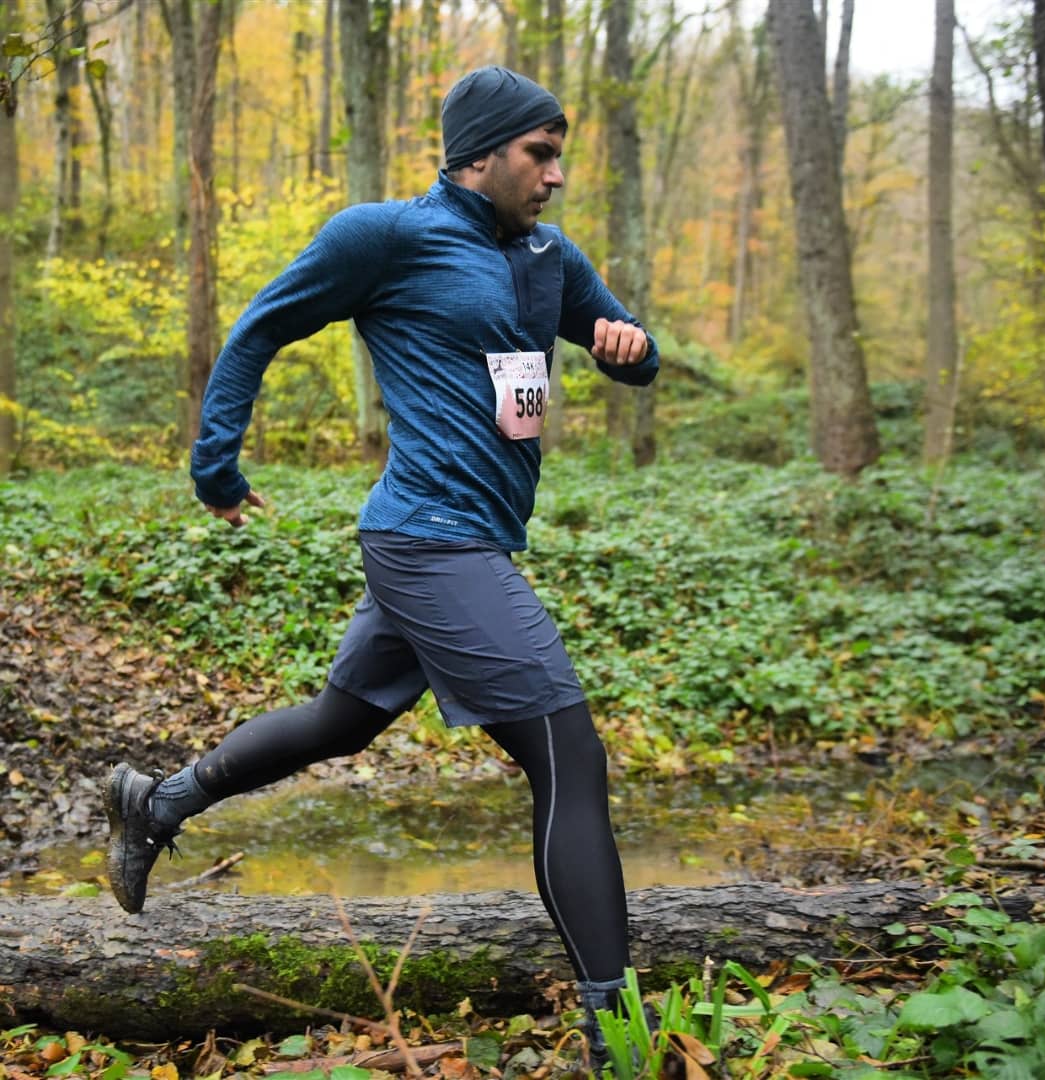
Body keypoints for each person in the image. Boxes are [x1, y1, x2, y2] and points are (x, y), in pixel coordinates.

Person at [103, 65, 659, 1065]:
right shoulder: (386, 237)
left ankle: (158, 801)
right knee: (567, 754)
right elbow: (261, 327)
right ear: (479, 154)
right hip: (430, 540)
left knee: (343, 721)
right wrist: (215, 464)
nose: (556, 175)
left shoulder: (548, 255)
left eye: (559, 155)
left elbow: (633, 350)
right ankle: (616, 1031)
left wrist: (629, 346)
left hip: (464, 539)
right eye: (540, 154)